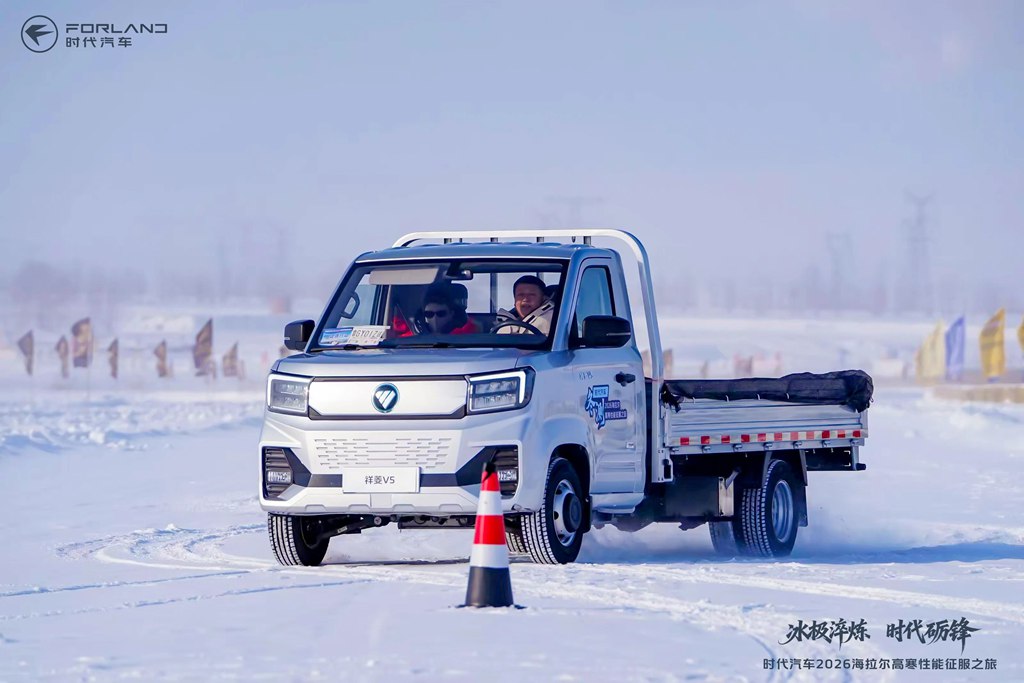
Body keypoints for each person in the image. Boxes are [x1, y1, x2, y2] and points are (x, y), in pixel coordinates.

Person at [410, 285, 479, 336]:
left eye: (441, 313)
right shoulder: (413, 336)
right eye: (429, 314)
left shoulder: (466, 334)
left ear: (451, 314)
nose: (435, 318)